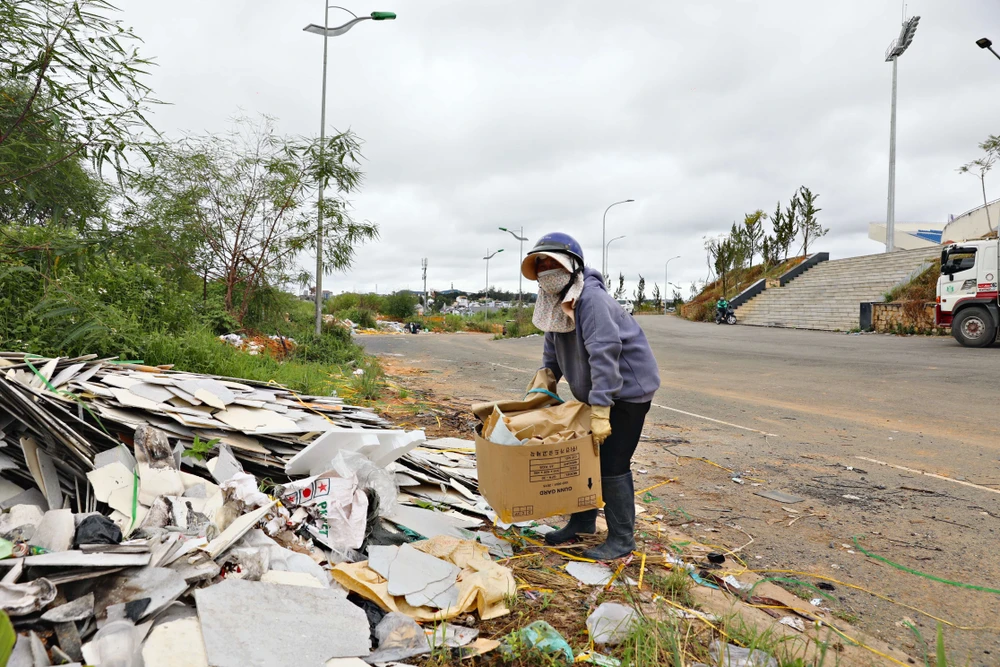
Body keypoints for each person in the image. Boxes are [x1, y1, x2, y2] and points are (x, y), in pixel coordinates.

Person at [521, 232, 660, 560]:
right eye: (539, 263)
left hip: (627, 392)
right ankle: (582, 525)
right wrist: (544, 383)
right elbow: (551, 352)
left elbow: (604, 352)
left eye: (550, 262)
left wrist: (600, 411)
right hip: (599, 392)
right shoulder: (554, 303)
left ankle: (622, 539)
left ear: (570, 266)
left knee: (612, 462)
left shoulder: (590, 299)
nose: (544, 269)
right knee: (583, 457)